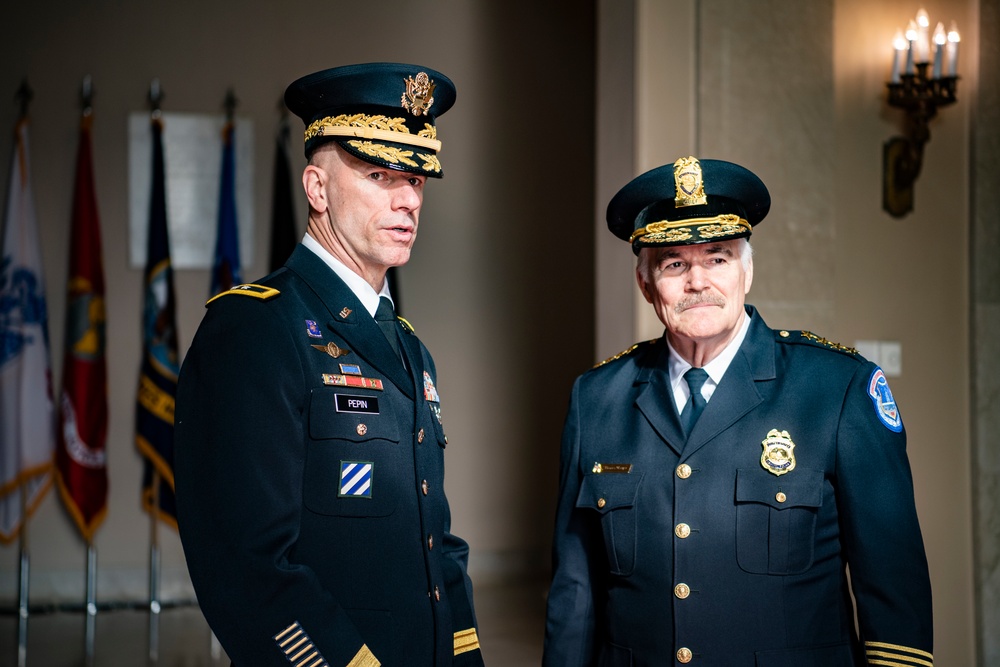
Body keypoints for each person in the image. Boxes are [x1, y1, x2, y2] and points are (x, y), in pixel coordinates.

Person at [543, 156, 933, 666]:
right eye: (674, 264)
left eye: (718, 258)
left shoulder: (838, 389)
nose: (697, 282)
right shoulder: (596, 398)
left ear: (747, 271)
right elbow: (576, 592)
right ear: (646, 284)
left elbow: (893, 591)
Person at [175, 63, 483, 667]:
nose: (407, 201)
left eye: (417, 180)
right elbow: (246, 565)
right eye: (379, 175)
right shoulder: (255, 329)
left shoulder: (408, 347)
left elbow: (435, 540)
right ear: (316, 189)